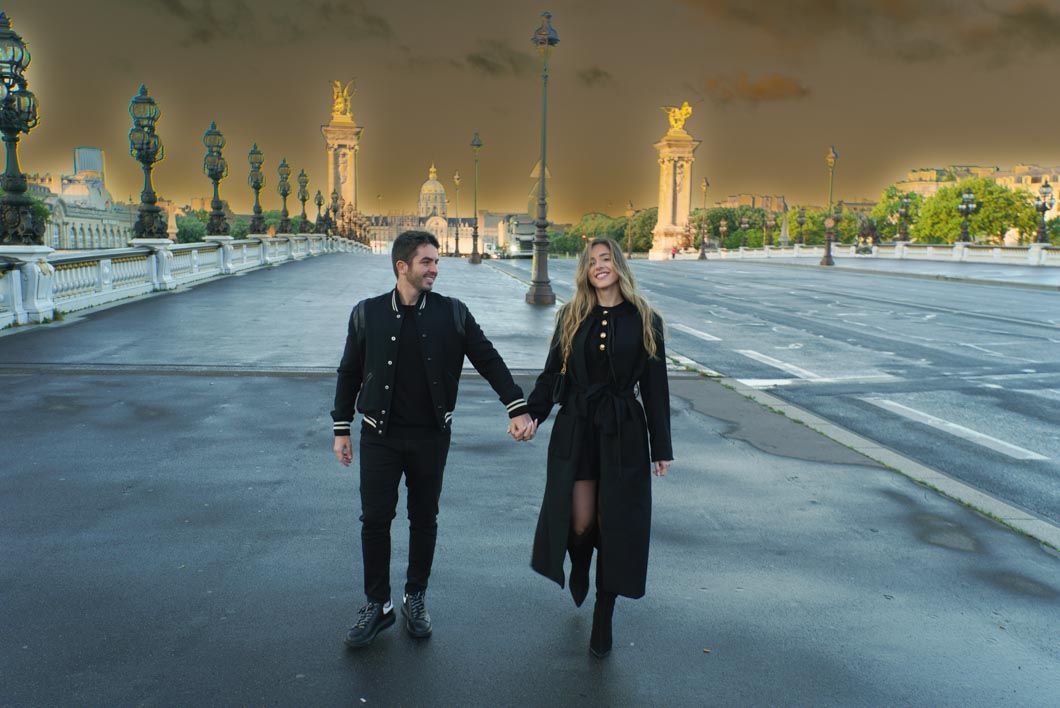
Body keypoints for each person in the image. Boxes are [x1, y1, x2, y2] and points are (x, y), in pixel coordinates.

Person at [332, 230, 534, 649]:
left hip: (430, 436)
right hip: (378, 436)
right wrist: (341, 428)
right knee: (375, 521)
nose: (435, 270)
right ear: (402, 266)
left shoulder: (453, 313)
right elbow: (349, 372)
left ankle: (415, 596)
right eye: (427, 262)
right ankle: (377, 604)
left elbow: (488, 358)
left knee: (424, 519)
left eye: (436, 262)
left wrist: (516, 405)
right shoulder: (367, 313)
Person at [520, 237, 673, 658]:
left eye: (606, 259)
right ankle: (581, 561)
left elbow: (656, 389)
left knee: (617, 524)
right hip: (578, 425)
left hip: (623, 431)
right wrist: (533, 415)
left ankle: (604, 614)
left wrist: (662, 447)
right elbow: (554, 374)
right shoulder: (572, 315)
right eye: (592, 262)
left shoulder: (646, 318)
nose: (599, 267)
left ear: (619, 265)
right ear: (585, 272)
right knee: (582, 521)